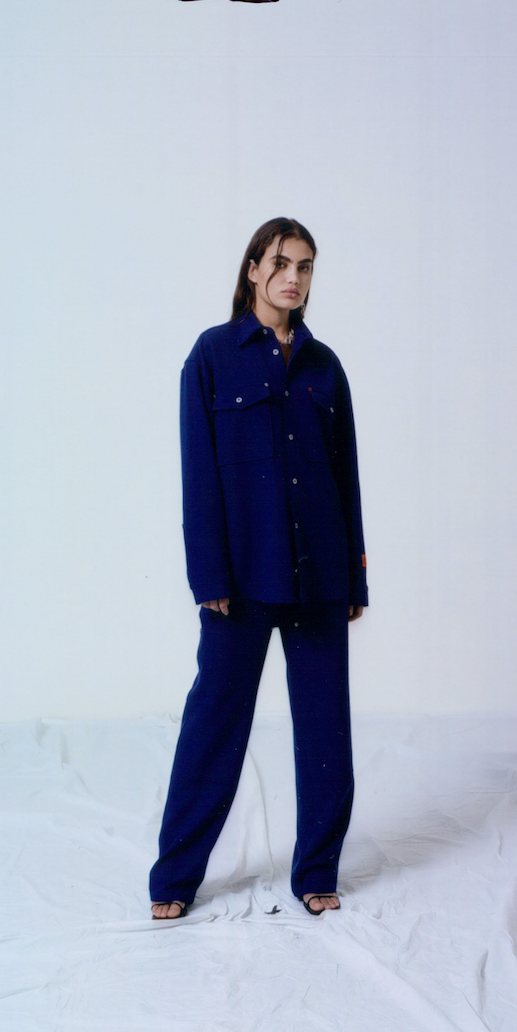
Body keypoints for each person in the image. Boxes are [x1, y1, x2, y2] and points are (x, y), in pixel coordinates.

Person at [149, 217, 368, 920]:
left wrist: (355, 578)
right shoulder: (212, 355)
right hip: (241, 581)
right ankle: (175, 878)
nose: (293, 278)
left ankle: (317, 871)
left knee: (326, 729)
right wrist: (208, 577)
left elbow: (346, 478)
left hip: (321, 577)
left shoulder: (325, 366)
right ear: (253, 268)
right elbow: (197, 474)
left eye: (305, 267)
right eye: (281, 263)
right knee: (214, 724)